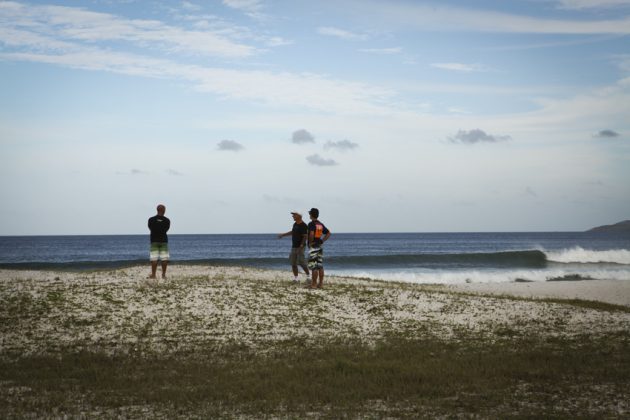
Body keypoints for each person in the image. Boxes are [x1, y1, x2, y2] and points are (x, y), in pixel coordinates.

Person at [278, 212, 310, 282]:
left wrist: (301, 246)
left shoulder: (304, 225)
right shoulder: (295, 224)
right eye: (293, 215)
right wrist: (283, 235)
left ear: (299, 216)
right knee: (293, 263)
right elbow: (292, 232)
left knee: (301, 262)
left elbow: (305, 236)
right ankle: (296, 278)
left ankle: (308, 276)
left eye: (294, 215)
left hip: (300, 247)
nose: (292, 216)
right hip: (294, 246)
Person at [307, 208, 330, 289]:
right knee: (320, 266)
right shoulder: (320, 224)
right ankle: (320, 284)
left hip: (314, 246)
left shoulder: (311, 224)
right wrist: (322, 241)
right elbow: (328, 233)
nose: (309, 215)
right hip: (319, 246)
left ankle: (313, 284)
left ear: (311, 215)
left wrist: (310, 243)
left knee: (314, 266)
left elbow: (311, 234)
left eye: (309, 214)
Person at [148, 204, 170, 279]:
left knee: (154, 259)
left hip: (154, 240)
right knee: (164, 259)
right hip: (163, 240)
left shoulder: (151, 219)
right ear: (164, 210)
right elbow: (166, 230)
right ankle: (163, 275)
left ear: (157, 210)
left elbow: (150, 228)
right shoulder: (167, 220)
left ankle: (153, 275)